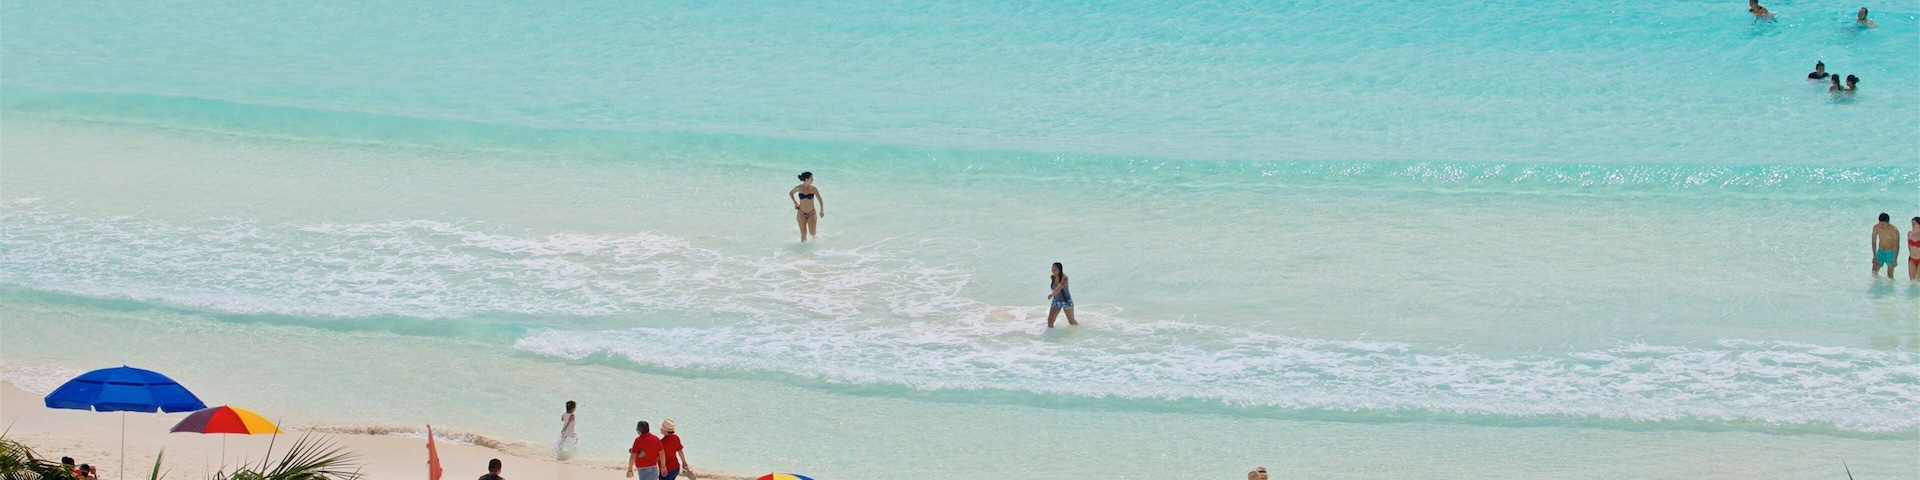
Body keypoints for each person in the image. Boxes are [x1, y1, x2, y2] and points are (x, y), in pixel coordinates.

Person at [788, 172, 825, 243]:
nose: (812, 180)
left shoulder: (813, 189)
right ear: (806, 179)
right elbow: (791, 193)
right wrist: (795, 202)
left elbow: (820, 199)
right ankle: (803, 252)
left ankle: (816, 241)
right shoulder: (799, 188)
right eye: (811, 179)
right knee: (803, 234)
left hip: (811, 213)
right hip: (801, 213)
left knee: (812, 232)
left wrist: (822, 210)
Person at [1045, 262, 1079, 328]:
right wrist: (1053, 296)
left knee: (1071, 322)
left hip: (1066, 301)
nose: (1053, 271)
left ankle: (1079, 329)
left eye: (1055, 269)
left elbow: (1059, 287)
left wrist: (1052, 294)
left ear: (1059, 270)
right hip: (1056, 301)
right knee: (1050, 320)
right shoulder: (1052, 277)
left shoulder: (1064, 278)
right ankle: (1051, 336)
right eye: (1052, 269)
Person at [1873, 213, 1899, 279]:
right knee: (1874, 272)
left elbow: (1897, 245)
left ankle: (1890, 288)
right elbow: (1873, 242)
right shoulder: (1876, 227)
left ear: (1888, 222)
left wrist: (1895, 259)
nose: (1881, 226)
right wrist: (1874, 256)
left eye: (1883, 224)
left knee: (1890, 275)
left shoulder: (1894, 230)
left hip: (1890, 253)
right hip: (1880, 251)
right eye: (1880, 223)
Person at [1908, 217, 1919, 281]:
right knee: (1912, 280)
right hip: (1912, 259)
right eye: (1912, 223)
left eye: (1914, 223)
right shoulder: (1909, 233)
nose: (1913, 225)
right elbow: (1909, 247)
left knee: (1919, 280)